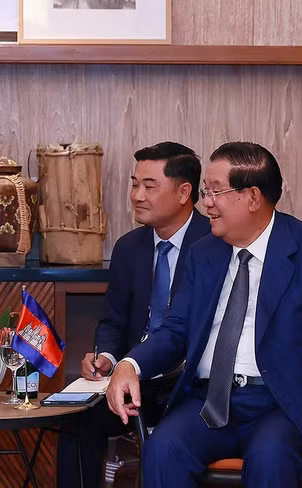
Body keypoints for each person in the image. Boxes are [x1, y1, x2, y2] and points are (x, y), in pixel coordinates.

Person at [107, 142, 302, 488]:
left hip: (278, 404)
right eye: (205, 191)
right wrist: (130, 364)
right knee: (163, 447)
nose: (206, 203)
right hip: (208, 402)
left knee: (271, 457)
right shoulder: (205, 253)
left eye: (215, 191)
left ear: (253, 197)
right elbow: (176, 329)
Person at [57, 141, 211, 487]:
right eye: (134, 183)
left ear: (184, 191)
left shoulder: (214, 244)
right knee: (75, 419)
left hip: (186, 386)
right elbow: (113, 320)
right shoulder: (129, 247)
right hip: (131, 381)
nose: (137, 195)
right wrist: (107, 357)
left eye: (149, 186)